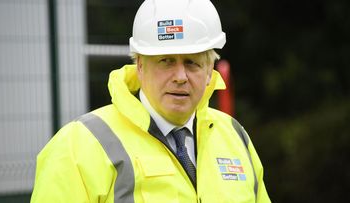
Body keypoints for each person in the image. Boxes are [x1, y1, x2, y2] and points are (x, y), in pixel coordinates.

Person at [31, 0, 271, 202]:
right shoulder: (78, 146)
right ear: (140, 66)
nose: (180, 77)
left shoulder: (234, 136)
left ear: (209, 70)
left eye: (192, 62)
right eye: (166, 61)